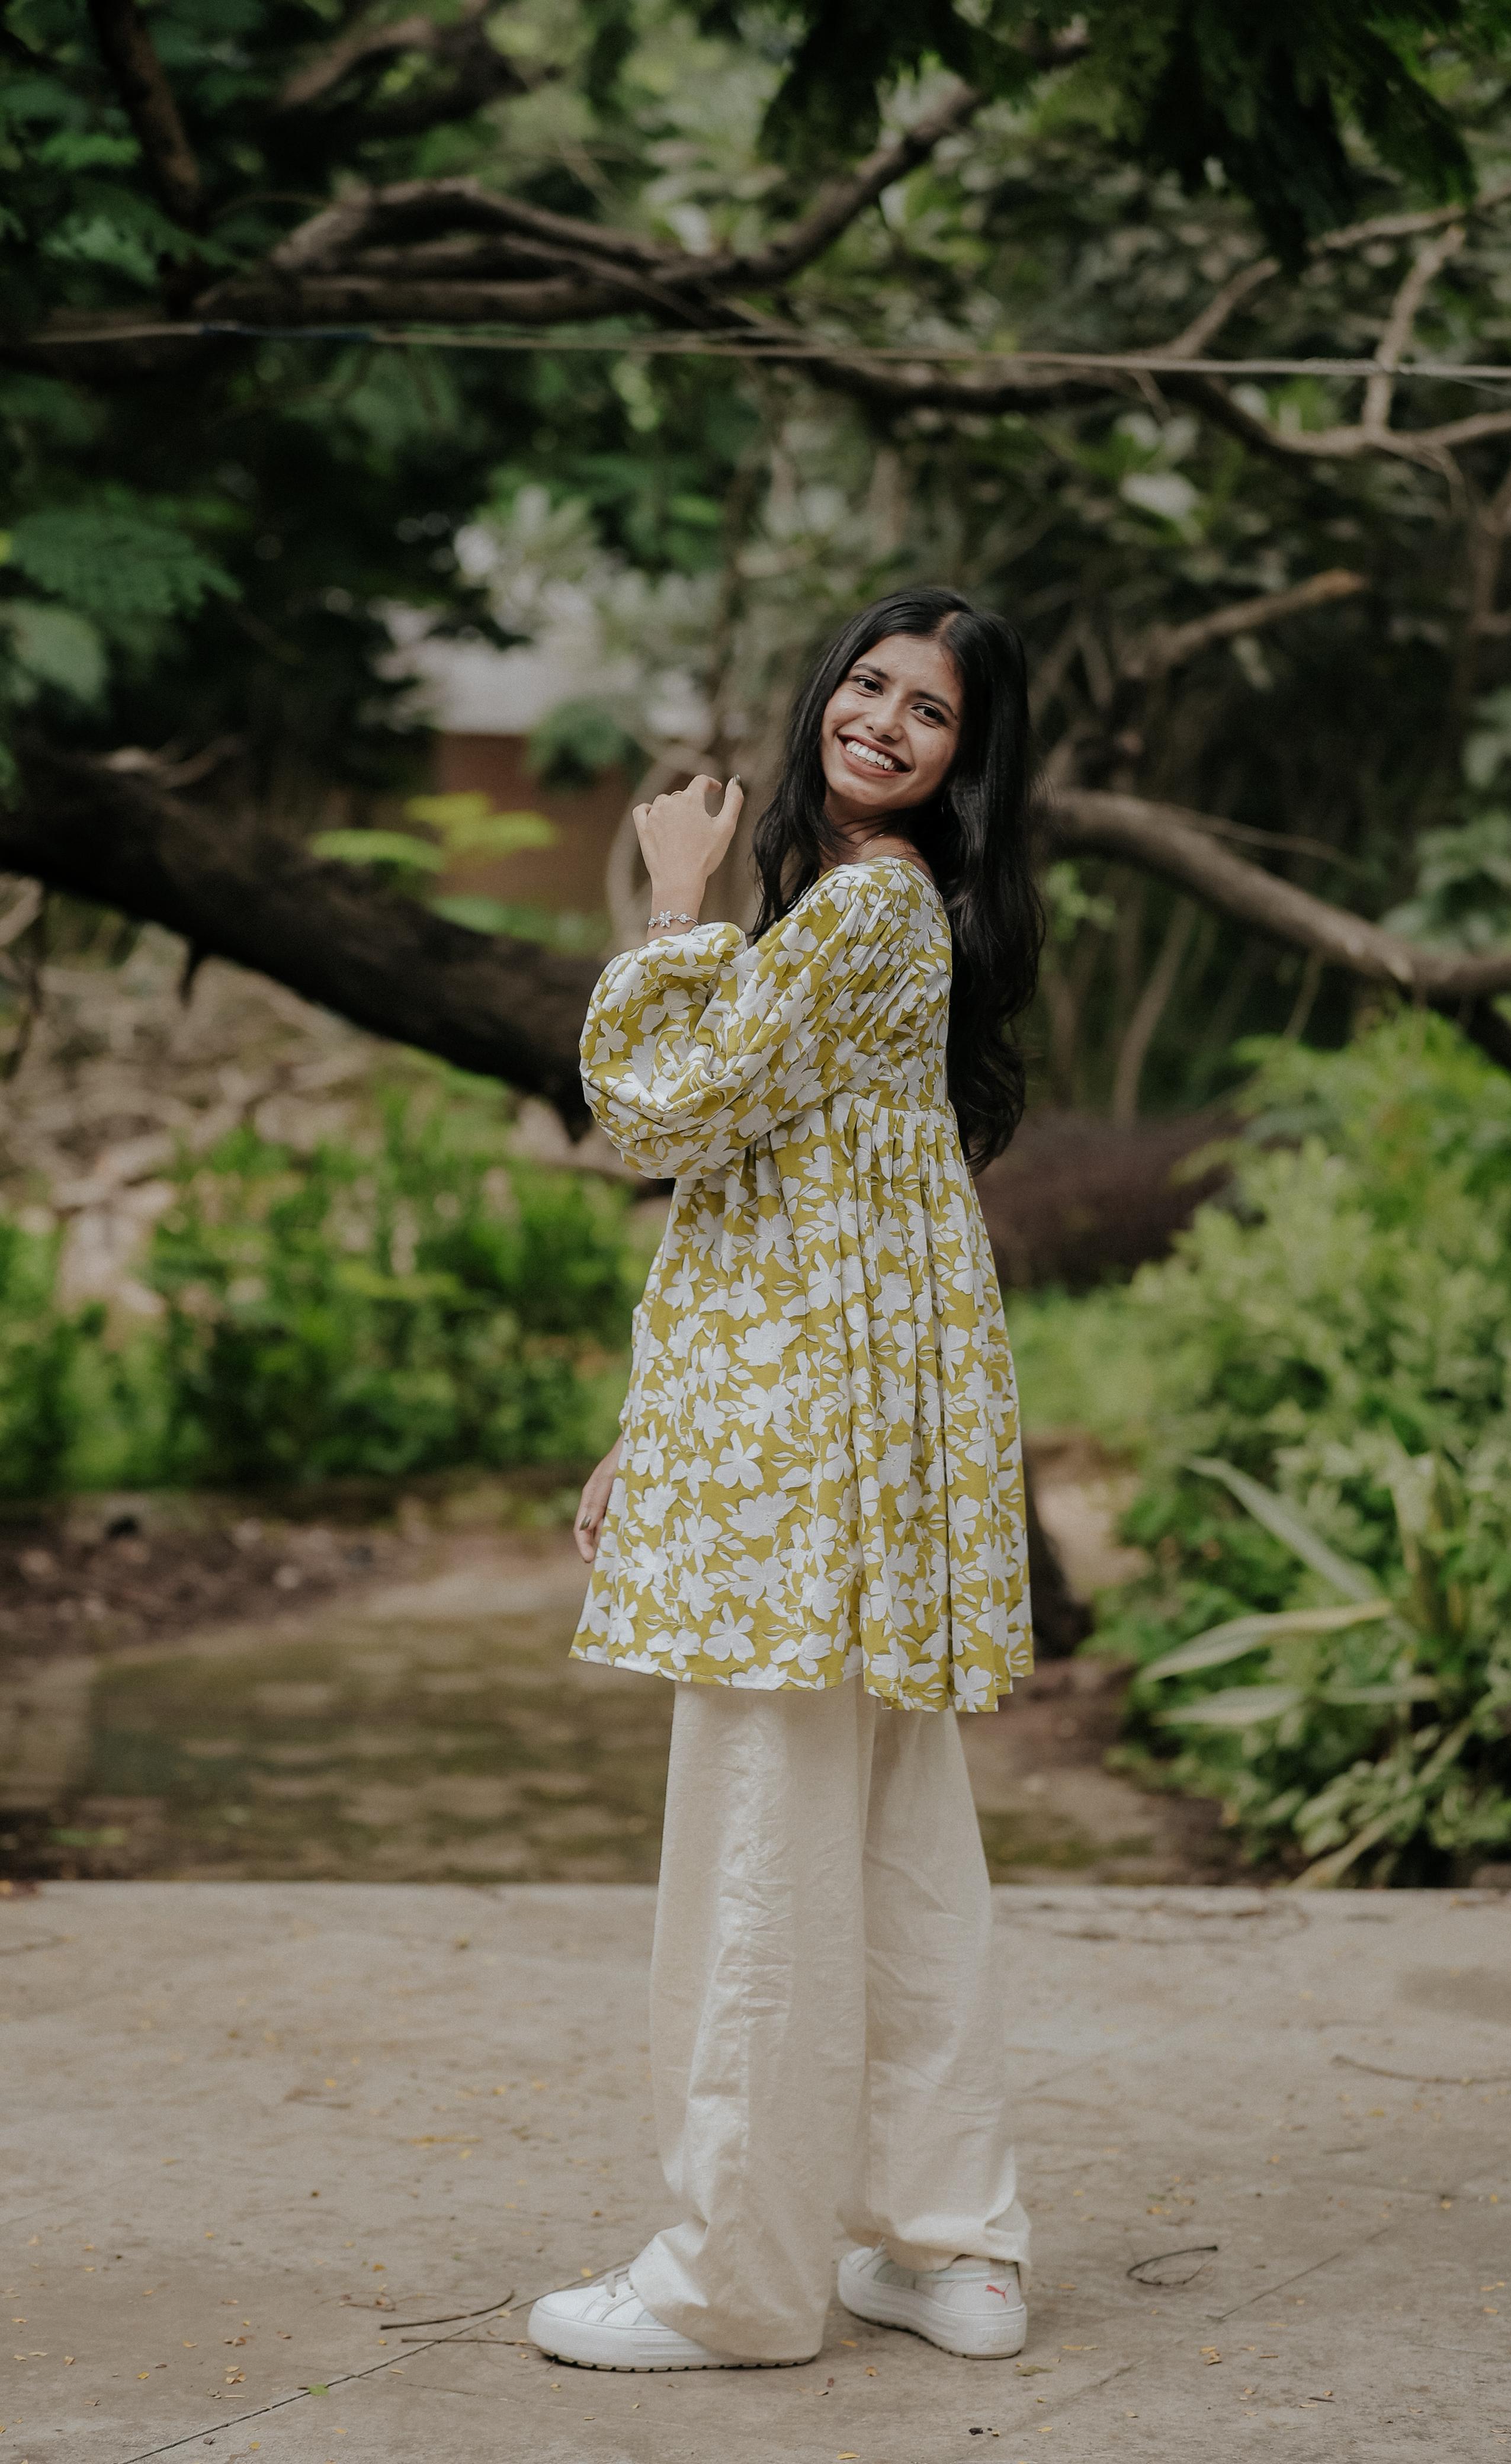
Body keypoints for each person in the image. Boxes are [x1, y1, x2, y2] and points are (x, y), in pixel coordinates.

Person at [527, 586, 1044, 2375]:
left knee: (755, 1849)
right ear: (828, 690)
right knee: (898, 1841)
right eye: (874, 685)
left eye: (934, 713)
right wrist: (651, 1428)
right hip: (846, 1435)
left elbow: (664, 1116)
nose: (890, 722)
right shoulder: (860, 919)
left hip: (804, 1459)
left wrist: (669, 902)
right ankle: (949, 2246)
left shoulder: (870, 906)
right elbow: (771, 1211)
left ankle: (727, 2281)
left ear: (966, 765)